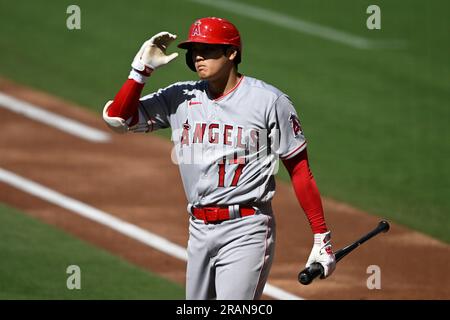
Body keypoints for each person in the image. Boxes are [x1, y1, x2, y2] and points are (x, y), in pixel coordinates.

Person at [102, 17, 335, 300]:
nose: (198, 56)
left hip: (246, 228)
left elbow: (299, 169)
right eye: (194, 50)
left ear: (232, 53)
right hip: (198, 227)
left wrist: (321, 236)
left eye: (208, 49)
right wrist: (141, 71)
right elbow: (118, 118)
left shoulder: (268, 102)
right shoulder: (181, 97)